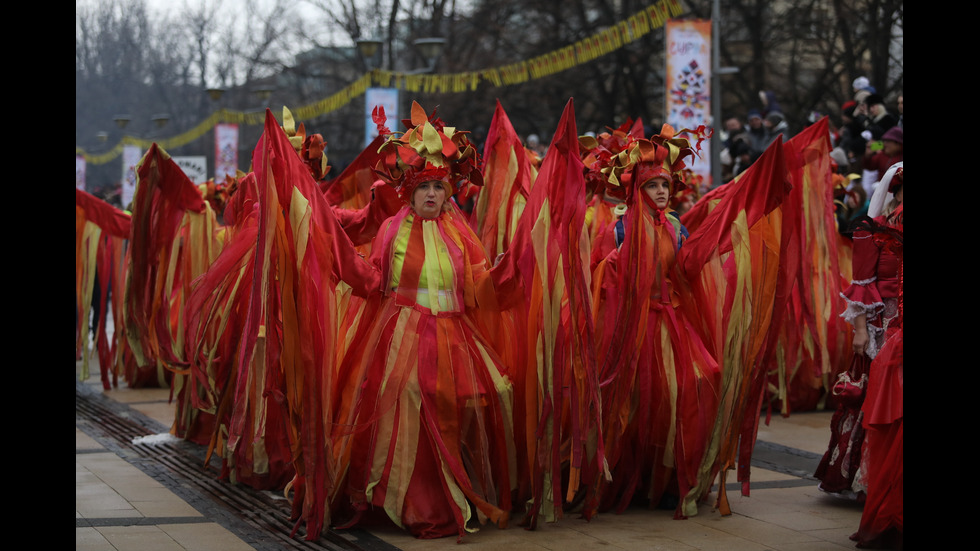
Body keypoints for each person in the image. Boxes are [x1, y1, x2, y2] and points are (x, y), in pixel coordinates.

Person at [331, 102, 516, 540]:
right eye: (424, 188)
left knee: (476, 398)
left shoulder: (460, 234)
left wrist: (512, 268)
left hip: (453, 335)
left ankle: (455, 490)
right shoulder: (392, 232)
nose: (432, 195)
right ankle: (411, 499)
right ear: (410, 193)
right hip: (400, 337)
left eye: (439, 186)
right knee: (410, 401)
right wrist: (337, 255)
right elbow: (374, 280)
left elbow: (478, 286)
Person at [591, 125, 720, 518]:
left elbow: (684, 271)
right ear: (636, 190)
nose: (662, 192)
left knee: (695, 384)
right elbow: (599, 275)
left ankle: (670, 478)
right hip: (633, 325)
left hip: (673, 322)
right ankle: (637, 480)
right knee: (641, 401)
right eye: (652, 186)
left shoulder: (675, 226)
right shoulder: (618, 228)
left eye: (665, 185)